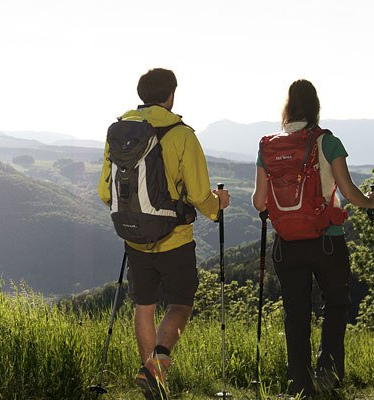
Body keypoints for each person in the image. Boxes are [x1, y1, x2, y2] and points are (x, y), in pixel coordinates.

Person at [98, 68, 230, 398]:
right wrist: (219, 205)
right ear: (171, 95)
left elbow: (105, 192)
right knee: (181, 304)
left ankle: (153, 382)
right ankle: (155, 368)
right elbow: (200, 195)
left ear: (142, 95)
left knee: (144, 306)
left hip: (134, 237)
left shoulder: (119, 132)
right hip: (175, 238)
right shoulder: (181, 134)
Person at [252, 79, 374, 397]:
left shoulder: (268, 146)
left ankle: (299, 382)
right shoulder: (327, 142)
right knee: (336, 305)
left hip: (287, 246)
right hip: (327, 239)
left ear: (287, 107)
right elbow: (350, 193)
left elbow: (258, 202)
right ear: (315, 107)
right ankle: (328, 372)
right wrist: (373, 201)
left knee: (295, 312)